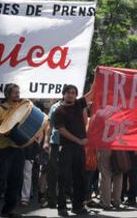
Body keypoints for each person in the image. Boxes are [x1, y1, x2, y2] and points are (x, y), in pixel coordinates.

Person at [0, 84, 42, 217]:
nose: (18, 95)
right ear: (8, 94)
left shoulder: (20, 108)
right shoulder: (0, 108)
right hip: (5, 149)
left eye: (18, 92)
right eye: (15, 93)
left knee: (16, 180)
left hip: (19, 149)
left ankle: (8, 209)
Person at [53, 84, 94, 217]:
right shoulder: (59, 111)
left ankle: (77, 206)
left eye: (73, 93)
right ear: (63, 94)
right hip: (66, 148)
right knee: (63, 178)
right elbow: (61, 130)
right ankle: (62, 207)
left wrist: (97, 75)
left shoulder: (78, 104)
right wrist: (78, 140)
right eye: (68, 92)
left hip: (79, 149)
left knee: (79, 178)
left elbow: (92, 93)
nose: (71, 95)